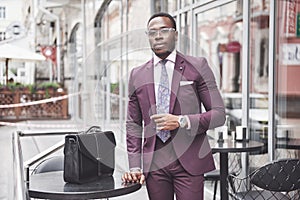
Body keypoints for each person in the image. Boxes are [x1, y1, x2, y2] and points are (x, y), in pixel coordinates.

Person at [122, 12, 226, 200]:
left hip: (189, 162)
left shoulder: (197, 66)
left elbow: (219, 114)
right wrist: (135, 166)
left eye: (164, 30)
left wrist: (181, 121)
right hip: (154, 164)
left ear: (176, 35)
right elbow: (133, 125)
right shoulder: (136, 75)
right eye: (152, 32)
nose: (158, 36)